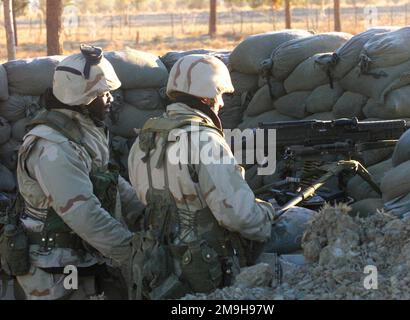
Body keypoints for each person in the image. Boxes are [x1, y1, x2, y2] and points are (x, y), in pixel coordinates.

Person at [127, 54, 275, 299]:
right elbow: (238, 215)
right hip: (205, 270)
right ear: (207, 98)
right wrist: (267, 215)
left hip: (158, 267)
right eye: (220, 97)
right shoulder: (204, 139)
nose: (223, 105)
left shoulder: (143, 140)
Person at [12, 45, 145, 300]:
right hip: (55, 268)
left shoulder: (81, 132)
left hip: (80, 256)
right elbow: (83, 214)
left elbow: (107, 179)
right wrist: (133, 251)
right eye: (102, 93)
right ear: (81, 98)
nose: (109, 99)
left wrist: (143, 214)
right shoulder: (54, 146)